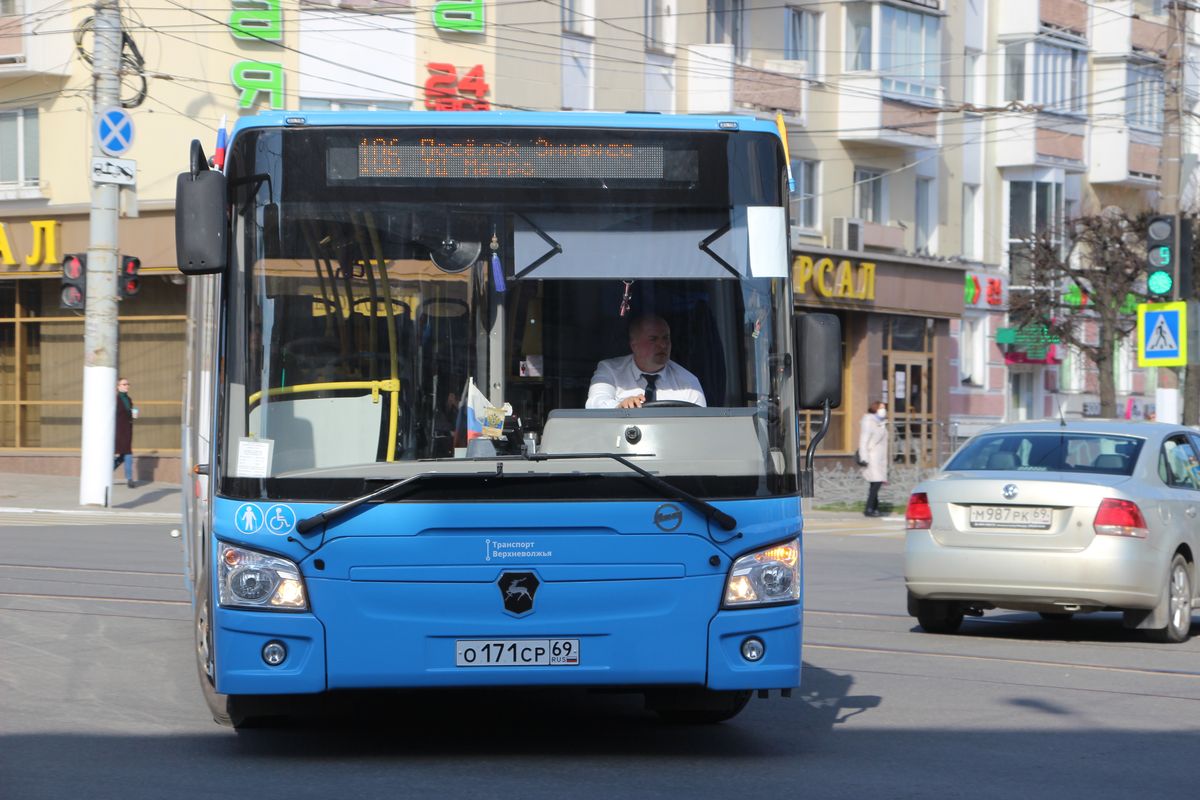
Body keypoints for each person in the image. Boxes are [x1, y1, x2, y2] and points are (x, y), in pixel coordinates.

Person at [585, 314, 706, 409]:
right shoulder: (610, 370)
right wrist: (619, 407)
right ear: (634, 345)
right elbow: (594, 405)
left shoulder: (688, 382)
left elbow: (701, 425)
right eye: (653, 339)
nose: (663, 345)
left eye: (666, 338)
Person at [859, 400, 888, 517]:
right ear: (875, 408)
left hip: (879, 458)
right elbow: (864, 440)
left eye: (884, 408)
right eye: (881, 407)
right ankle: (869, 508)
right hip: (872, 458)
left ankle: (874, 508)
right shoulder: (869, 421)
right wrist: (864, 457)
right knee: (876, 483)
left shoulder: (881, 422)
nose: (883, 410)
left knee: (875, 483)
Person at [114, 377, 137, 488]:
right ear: (118, 386)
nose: (127, 386)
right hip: (119, 430)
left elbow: (129, 413)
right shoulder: (115, 399)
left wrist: (133, 414)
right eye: (124, 384)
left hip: (127, 430)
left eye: (128, 384)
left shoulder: (128, 399)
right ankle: (129, 479)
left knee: (125, 454)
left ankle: (107, 471)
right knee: (127, 454)